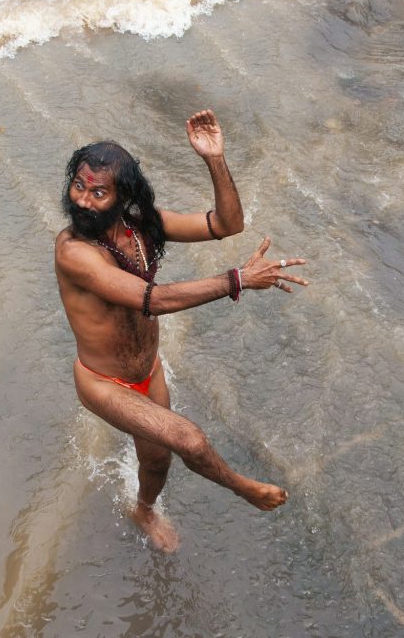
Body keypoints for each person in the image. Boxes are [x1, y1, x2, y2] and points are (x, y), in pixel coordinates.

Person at [54, 109, 309, 552]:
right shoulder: (73, 251)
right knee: (188, 438)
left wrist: (214, 158)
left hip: (146, 369)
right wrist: (238, 280)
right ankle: (244, 488)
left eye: (98, 192)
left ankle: (144, 509)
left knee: (156, 458)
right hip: (102, 382)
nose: (82, 201)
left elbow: (227, 225)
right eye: (79, 186)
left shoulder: (143, 227)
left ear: (122, 197)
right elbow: (154, 299)